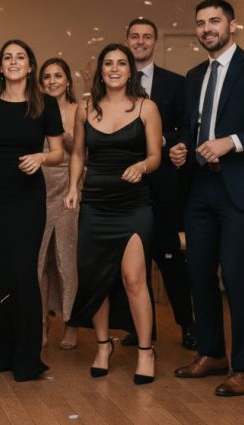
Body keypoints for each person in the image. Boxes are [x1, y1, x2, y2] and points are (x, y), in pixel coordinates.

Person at [170, 0, 244, 397]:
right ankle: (211, 353)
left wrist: (232, 143)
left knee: (236, 277)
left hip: (241, 189)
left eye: (215, 21)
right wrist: (182, 148)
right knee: (199, 274)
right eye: (201, 23)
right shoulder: (193, 76)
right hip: (199, 188)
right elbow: (192, 128)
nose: (207, 29)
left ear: (232, 25)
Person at [66, 43, 162, 386]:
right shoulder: (86, 107)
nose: (115, 68)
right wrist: (74, 187)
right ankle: (103, 346)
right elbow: (78, 152)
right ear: (100, 70)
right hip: (95, 203)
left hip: (134, 204)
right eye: (109, 63)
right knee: (97, 280)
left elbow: (155, 156)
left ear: (130, 70)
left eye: (122, 63)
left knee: (134, 279)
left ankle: (146, 351)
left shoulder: (147, 107)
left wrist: (141, 165)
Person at [0, 40, 64, 382]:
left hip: (27, 196)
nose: (13, 62)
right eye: (7, 57)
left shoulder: (45, 105)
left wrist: (40, 158)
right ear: (1, 66)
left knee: (22, 271)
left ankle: (27, 355)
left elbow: (58, 153)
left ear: (30, 66)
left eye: (20, 57)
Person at [121, 18, 197, 351]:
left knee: (169, 260)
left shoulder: (174, 83)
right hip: (125, 184)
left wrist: (162, 141)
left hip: (163, 185)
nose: (140, 41)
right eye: (135, 37)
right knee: (131, 261)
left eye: (147, 37)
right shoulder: (113, 81)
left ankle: (187, 324)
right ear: (126, 40)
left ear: (155, 43)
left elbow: (186, 128)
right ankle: (141, 330)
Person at [37, 57, 80, 351]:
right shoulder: (34, 110)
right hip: (38, 188)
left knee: (67, 259)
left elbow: (82, 152)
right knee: (39, 261)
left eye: (58, 76)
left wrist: (63, 138)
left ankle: (72, 323)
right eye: (47, 77)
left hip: (68, 188)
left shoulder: (79, 111)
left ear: (68, 81)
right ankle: (41, 322)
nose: (53, 81)